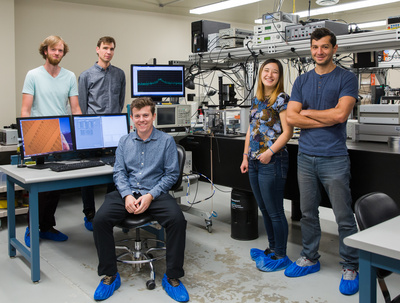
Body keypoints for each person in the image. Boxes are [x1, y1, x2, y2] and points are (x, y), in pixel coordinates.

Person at [285, 28, 359, 296]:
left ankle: (351, 264)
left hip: (334, 158)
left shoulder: (346, 78)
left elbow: (340, 115)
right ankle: (309, 257)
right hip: (305, 156)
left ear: (334, 49)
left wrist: (307, 112)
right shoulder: (302, 81)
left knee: (343, 216)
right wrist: (320, 116)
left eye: (325, 47)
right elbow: (291, 118)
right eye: (315, 47)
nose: (319, 52)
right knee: (307, 213)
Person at [92, 97, 189, 302]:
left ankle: (172, 277)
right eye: (137, 116)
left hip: (155, 192)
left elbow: (171, 175)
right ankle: (111, 275)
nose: (142, 120)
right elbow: (118, 172)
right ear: (132, 118)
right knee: (99, 220)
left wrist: (150, 195)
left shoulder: (166, 141)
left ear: (153, 116)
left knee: (177, 220)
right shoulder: (124, 141)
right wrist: (127, 194)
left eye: (146, 115)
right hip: (127, 193)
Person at [21, 35, 82, 247]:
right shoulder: (33, 75)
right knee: (40, 188)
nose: (57, 53)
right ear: (45, 51)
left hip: (61, 135)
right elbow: (26, 109)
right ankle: (31, 228)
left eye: (61, 51)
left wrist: (81, 135)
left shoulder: (69, 76)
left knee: (56, 187)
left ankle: (47, 227)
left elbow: (75, 109)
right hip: (38, 136)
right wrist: (28, 141)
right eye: (53, 50)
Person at [240, 59, 293, 272]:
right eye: (266, 71)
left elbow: (288, 132)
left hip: (273, 160)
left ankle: (280, 254)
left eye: (275, 72)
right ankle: (272, 248)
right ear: (261, 73)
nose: (269, 75)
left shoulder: (282, 99)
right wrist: (245, 157)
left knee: (275, 210)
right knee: (264, 208)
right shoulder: (257, 99)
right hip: (254, 161)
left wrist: (270, 152)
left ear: (279, 77)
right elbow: (250, 130)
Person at [78, 36, 126, 231]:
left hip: (114, 130)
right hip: (92, 130)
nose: (108, 52)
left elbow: (121, 102)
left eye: (112, 49)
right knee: (87, 174)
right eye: (105, 48)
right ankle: (89, 214)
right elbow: (82, 107)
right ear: (97, 50)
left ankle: (109, 210)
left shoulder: (120, 74)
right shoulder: (86, 76)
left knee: (115, 172)